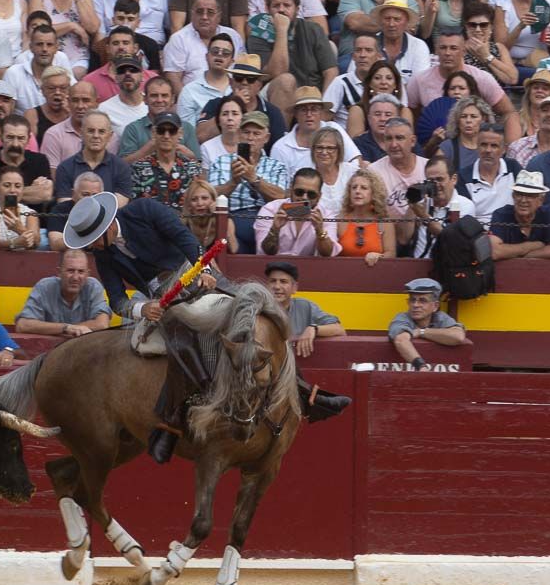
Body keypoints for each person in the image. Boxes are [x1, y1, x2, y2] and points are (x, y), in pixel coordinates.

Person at [63, 189, 349, 462]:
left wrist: (205, 269)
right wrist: (141, 309)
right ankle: (174, 420)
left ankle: (305, 392)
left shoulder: (143, 210)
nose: (91, 248)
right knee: (180, 339)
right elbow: (116, 299)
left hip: (193, 270)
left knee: (260, 312)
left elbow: (183, 237)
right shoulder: (104, 253)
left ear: (107, 227)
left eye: (93, 240)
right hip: (163, 296)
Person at [246, 0, 337, 119]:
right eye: (276, 6)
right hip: (274, 95)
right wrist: (282, 30)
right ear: (267, 9)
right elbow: (277, 72)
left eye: (287, 5)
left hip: (310, 96)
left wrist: (323, 107)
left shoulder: (313, 29)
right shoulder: (258, 33)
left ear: (297, 9)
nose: (281, 10)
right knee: (286, 80)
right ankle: (283, 135)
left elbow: (330, 71)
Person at [206, 109, 287, 253]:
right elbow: (211, 196)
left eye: (256, 133)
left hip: (266, 218)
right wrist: (233, 182)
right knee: (225, 228)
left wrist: (254, 179)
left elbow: (280, 197)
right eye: (246, 132)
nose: (251, 138)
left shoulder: (277, 166)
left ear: (266, 138)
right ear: (238, 135)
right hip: (233, 218)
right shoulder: (221, 162)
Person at [15, 248, 112, 336]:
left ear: (87, 274)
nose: (75, 277)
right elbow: (22, 325)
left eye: (81, 272)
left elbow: (102, 324)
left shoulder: (93, 286)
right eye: (70, 271)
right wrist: (66, 328)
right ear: (59, 272)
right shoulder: (45, 287)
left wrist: (68, 329)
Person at [264, 261, 345, 357]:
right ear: (266, 286)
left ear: (294, 288)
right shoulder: (257, 308)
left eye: (283, 281)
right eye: (273, 281)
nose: (277, 287)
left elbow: (339, 329)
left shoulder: (304, 306)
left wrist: (314, 329)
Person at [53, 108, 134, 204]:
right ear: (81, 133)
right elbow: (64, 204)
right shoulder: (65, 168)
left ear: (110, 136)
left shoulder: (121, 167)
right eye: (91, 131)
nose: (96, 136)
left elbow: (119, 204)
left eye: (101, 131)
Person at [387, 277, 468, 372]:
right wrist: (421, 366)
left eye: (422, 300)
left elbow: (458, 336)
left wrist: (421, 332)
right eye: (412, 300)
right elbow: (401, 339)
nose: (416, 305)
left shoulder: (440, 317)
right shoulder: (403, 318)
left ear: (435, 306)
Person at [254, 168, 340, 256]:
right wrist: (275, 230)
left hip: (309, 267)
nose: (304, 198)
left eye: (311, 194)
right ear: (291, 190)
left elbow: (328, 254)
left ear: (319, 196)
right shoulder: (270, 210)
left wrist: (320, 231)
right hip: (275, 265)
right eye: (299, 192)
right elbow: (266, 252)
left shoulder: (327, 215)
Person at [129, 111, 203, 210]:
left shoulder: (192, 168)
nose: (166, 136)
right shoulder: (138, 168)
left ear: (180, 134)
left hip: (183, 224)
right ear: (154, 133)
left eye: (172, 131)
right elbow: (135, 207)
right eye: (161, 130)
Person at [487, 169, 550, 260]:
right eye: (519, 194)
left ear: (540, 201)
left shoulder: (547, 214)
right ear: (513, 196)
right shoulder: (501, 215)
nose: (523, 200)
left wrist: (523, 255)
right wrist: (532, 246)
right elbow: (494, 252)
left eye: (530, 195)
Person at [458, 121, 519, 225]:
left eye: (494, 146)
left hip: (511, 231)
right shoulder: (463, 177)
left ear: (504, 149)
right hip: (478, 234)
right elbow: (465, 218)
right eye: (483, 145)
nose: (488, 150)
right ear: (477, 146)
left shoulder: (513, 168)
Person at [333, 167, 395, 266]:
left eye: (364, 188)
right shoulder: (340, 220)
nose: (357, 191)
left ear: (374, 193)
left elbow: (391, 253)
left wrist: (379, 256)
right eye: (354, 187)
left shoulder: (384, 222)